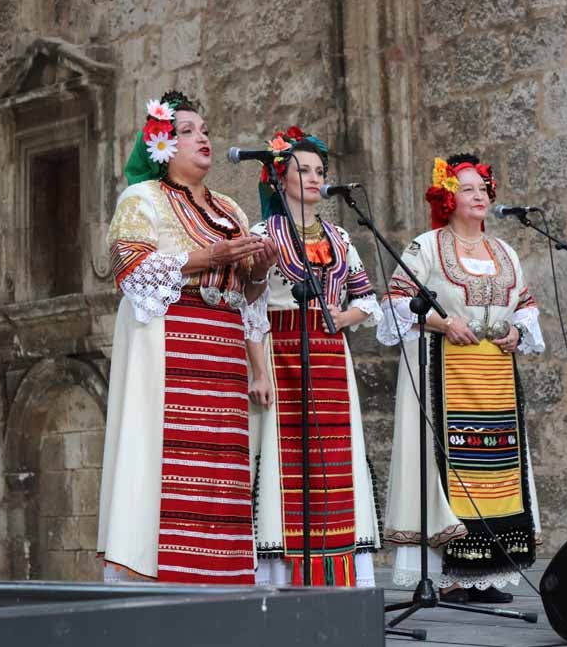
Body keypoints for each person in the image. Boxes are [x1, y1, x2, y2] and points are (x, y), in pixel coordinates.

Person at [97, 91, 277, 583]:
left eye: (205, 129)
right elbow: (129, 268)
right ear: (162, 148)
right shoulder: (142, 199)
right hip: (171, 346)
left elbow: (249, 297)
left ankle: (222, 579)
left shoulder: (231, 209)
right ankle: (165, 582)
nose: (203, 137)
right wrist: (207, 259)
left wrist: (257, 270)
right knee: (172, 464)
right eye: (187, 131)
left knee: (221, 468)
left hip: (221, 352)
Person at [377, 153, 545, 603]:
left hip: (494, 376)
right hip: (445, 372)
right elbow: (397, 302)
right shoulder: (426, 246)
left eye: (483, 188)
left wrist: (516, 330)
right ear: (447, 198)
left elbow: (526, 306)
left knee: (496, 472)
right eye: (467, 188)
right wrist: (443, 322)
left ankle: (488, 572)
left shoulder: (504, 252)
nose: (479, 195)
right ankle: (449, 572)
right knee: (450, 468)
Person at [246, 126, 383, 587]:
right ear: (279, 178)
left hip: (329, 356)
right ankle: (282, 576)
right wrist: (258, 371)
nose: (311, 177)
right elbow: (251, 306)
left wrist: (342, 320)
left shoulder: (340, 235)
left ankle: (340, 568)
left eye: (319, 171)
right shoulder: (264, 232)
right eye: (301, 170)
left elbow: (368, 299)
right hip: (281, 352)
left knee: (334, 461)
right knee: (286, 461)